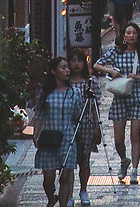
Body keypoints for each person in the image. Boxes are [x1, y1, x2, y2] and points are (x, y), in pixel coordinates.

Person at [98, 21, 140, 180]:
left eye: (134, 33)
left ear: (138, 35)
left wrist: (138, 77)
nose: (131, 36)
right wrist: (111, 71)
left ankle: (134, 170)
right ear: (123, 36)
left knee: (135, 136)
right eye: (128, 33)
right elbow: (97, 65)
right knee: (118, 139)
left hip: (136, 96)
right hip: (119, 97)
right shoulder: (116, 52)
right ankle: (124, 160)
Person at [34, 58, 84, 207]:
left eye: (68, 67)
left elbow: (77, 115)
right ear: (54, 71)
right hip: (49, 137)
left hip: (67, 137)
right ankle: (51, 197)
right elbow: (39, 114)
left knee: (65, 177)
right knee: (48, 179)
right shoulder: (45, 93)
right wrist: (36, 133)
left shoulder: (74, 92)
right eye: (63, 68)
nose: (67, 70)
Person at [67, 48, 105, 205]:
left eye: (79, 60)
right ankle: (68, 194)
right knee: (68, 161)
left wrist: (97, 127)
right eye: (73, 60)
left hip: (86, 123)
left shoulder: (90, 82)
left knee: (85, 160)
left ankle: (83, 189)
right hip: (68, 123)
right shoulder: (64, 81)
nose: (76, 64)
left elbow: (95, 105)